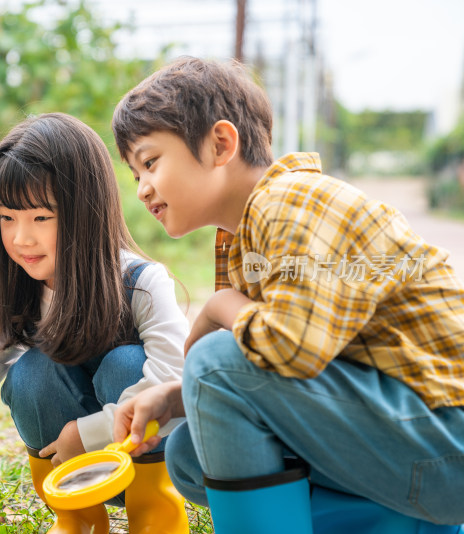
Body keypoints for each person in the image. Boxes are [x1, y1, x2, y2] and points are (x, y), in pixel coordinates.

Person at [109, 56, 464, 534]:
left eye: (150, 162)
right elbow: (285, 369)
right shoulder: (243, 235)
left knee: (215, 364)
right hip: (412, 444)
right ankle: (406, 525)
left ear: (220, 143)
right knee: (191, 453)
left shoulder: (297, 202)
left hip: (447, 445)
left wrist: (218, 307)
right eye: (135, 174)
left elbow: (286, 348)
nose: (142, 189)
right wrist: (176, 398)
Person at [0, 112, 190, 534]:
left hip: (149, 456)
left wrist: (89, 433)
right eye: (7, 217)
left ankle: (155, 521)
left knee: (125, 364)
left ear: (86, 212)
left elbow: (175, 377)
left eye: (40, 218)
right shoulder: (19, 293)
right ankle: (78, 522)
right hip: (72, 470)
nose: (21, 238)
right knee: (30, 373)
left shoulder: (141, 284)